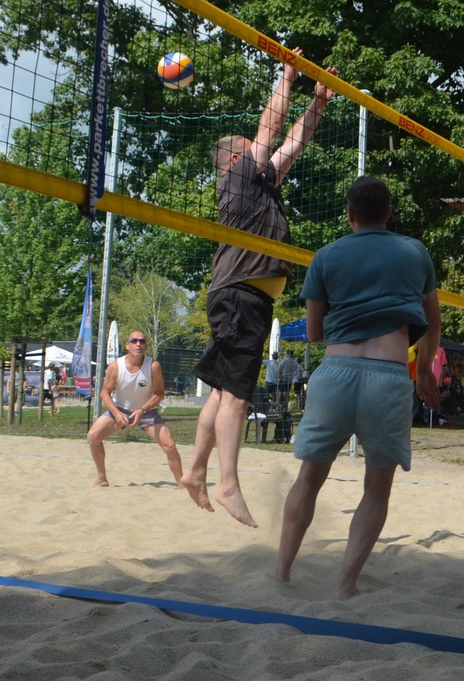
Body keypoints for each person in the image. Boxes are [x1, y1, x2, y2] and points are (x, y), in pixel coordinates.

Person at [182, 50, 337, 527]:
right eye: (251, 150)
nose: (261, 153)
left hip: (244, 294)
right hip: (241, 293)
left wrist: (318, 103)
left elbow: (291, 143)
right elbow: (270, 130)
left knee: (219, 392)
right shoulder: (236, 178)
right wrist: (287, 78)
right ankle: (227, 483)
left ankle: (195, 472)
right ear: (236, 158)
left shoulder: (261, 183)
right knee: (236, 396)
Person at [274, 175, 441, 599]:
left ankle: (281, 573)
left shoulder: (326, 256)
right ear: (389, 213)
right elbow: (433, 320)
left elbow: (314, 333)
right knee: (377, 488)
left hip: (336, 373)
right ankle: (344, 586)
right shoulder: (415, 251)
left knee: (309, 478)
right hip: (388, 375)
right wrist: (424, 371)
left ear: (350, 214)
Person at [86, 332, 182, 488]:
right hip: (120, 409)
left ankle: (182, 482)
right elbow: (104, 392)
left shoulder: (153, 366)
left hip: (146, 411)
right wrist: (117, 414)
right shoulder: (116, 366)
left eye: (142, 341)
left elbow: (159, 393)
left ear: (146, 346)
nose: (138, 344)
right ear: (127, 345)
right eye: (134, 341)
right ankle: (101, 477)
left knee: (169, 445)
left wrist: (142, 410)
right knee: (93, 436)